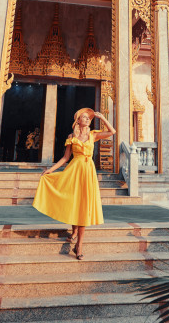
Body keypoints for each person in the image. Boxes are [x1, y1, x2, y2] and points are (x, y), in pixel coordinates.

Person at [32, 107, 116, 259]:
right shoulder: (72, 136)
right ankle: (75, 232)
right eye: (84, 117)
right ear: (78, 121)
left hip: (88, 172)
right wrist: (50, 170)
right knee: (74, 201)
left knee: (83, 205)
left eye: (88, 118)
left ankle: (79, 246)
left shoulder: (93, 135)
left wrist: (102, 118)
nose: (87, 119)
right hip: (74, 170)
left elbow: (112, 132)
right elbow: (65, 158)